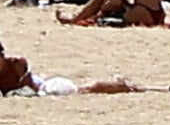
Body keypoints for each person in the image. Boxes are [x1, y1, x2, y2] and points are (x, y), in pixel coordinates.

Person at [0, 40, 139, 96]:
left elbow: (34, 89)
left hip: (46, 88)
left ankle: (120, 85)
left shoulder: (17, 64)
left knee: (85, 89)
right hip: (38, 87)